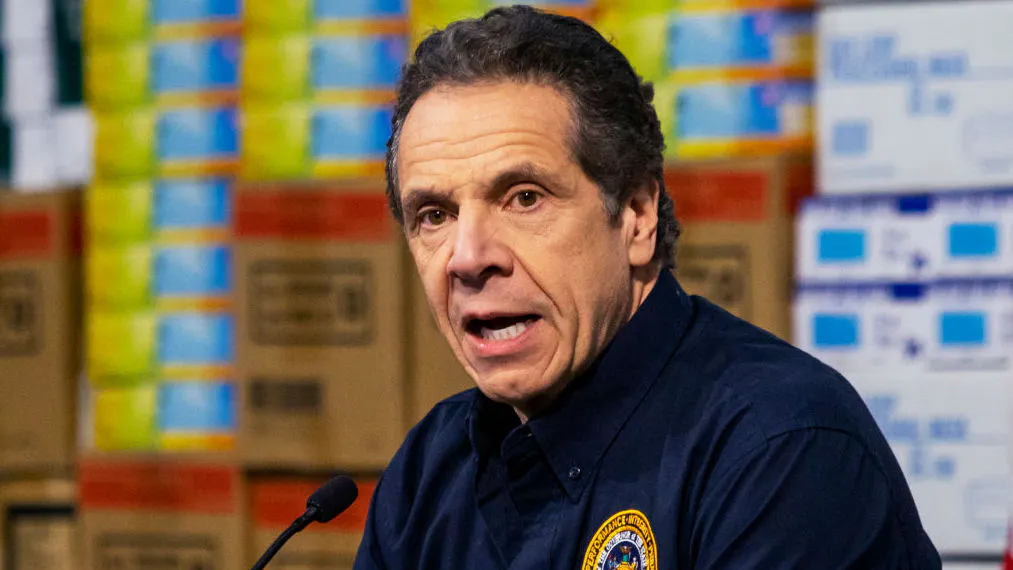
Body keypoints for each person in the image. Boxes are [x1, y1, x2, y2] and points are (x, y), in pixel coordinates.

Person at [354, 5, 941, 569]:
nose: (468, 258)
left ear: (636, 216)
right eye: (434, 215)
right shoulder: (427, 473)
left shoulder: (782, 449)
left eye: (524, 198)